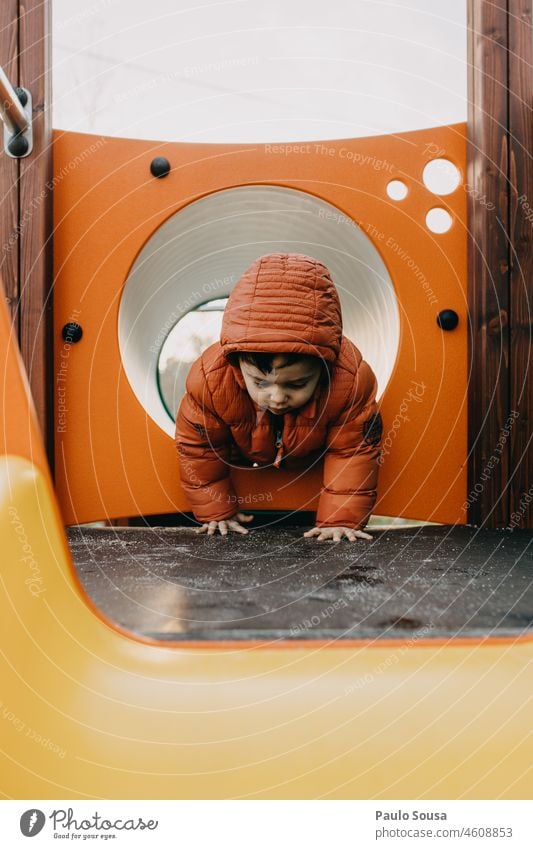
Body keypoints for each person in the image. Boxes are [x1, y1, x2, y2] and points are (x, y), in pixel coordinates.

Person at [175, 252, 382, 542]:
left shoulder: (348, 382)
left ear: (324, 368)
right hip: (243, 465)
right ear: (237, 366)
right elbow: (199, 449)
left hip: (308, 468)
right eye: (260, 382)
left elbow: (353, 452)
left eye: (296, 384)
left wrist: (341, 519)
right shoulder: (212, 381)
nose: (276, 397)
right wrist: (217, 511)